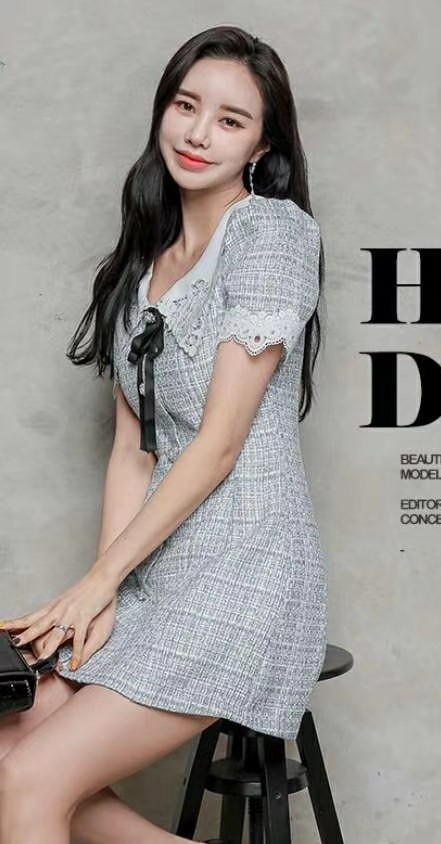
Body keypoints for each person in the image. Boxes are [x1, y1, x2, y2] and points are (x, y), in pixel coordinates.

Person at [0, 24, 328, 844]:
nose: (198, 133)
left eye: (230, 119)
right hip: (154, 570)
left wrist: (98, 580)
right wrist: (106, 594)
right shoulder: (142, 263)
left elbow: (219, 445)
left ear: (262, 146)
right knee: (7, 749)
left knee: (29, 779)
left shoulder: (273, 235)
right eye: (186, 106)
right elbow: (133, 449)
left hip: (247, 573)